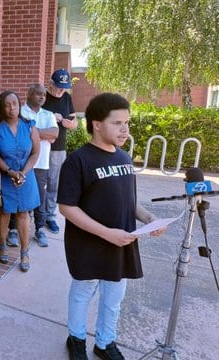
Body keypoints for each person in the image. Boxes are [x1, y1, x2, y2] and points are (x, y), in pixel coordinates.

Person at [57, 93, 166, 360]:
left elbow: (128, 201)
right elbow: (67, 207)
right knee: (82, 293)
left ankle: (105, 343)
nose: (125, 129)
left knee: (113, 298)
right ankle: (77, 339)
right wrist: (107, 234)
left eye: (127, 122)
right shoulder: (78, 160)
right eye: (117, 123)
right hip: (89, 244)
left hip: (122, 243)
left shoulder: (125, 159)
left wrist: (149, 219)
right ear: (96, 124)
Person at [0, 90, 40, 272]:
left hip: (26, 175)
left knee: (24, 214)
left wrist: (22, 173)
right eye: (7, 104)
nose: (11, 108)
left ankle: (24, 252)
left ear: (20, 105)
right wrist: (11, 172)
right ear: (1, 108)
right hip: (6, 175)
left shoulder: (30, 126)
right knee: (5, 211)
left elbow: (35, 153)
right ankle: (2, 243)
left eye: (15, 104)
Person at [6, 84, 58, 248]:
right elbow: (15, 132)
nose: (42, 97)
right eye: (38, 93)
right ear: (29, 94)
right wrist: (42, 134)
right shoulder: (19, 111)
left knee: (40, 198)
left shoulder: (48, 114)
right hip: (21, 163)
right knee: (18, 195)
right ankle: (13, 230)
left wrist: (30, 131)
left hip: (41, 163)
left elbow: (54, 134)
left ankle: (40, 229)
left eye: (44, 94)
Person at [43, 68, 77, 234]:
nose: (61, 90)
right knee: (39, 181)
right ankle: (37, 215)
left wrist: (71, 124)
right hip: (41, 146)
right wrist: (50, 115)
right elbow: (32, 117)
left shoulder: (67, 98)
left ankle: (50, 216)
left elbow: (75, 120)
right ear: (51, 83)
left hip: (59, 147)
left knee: (54, 183)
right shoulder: (42, 96)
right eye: (58, 86)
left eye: (64, 86)